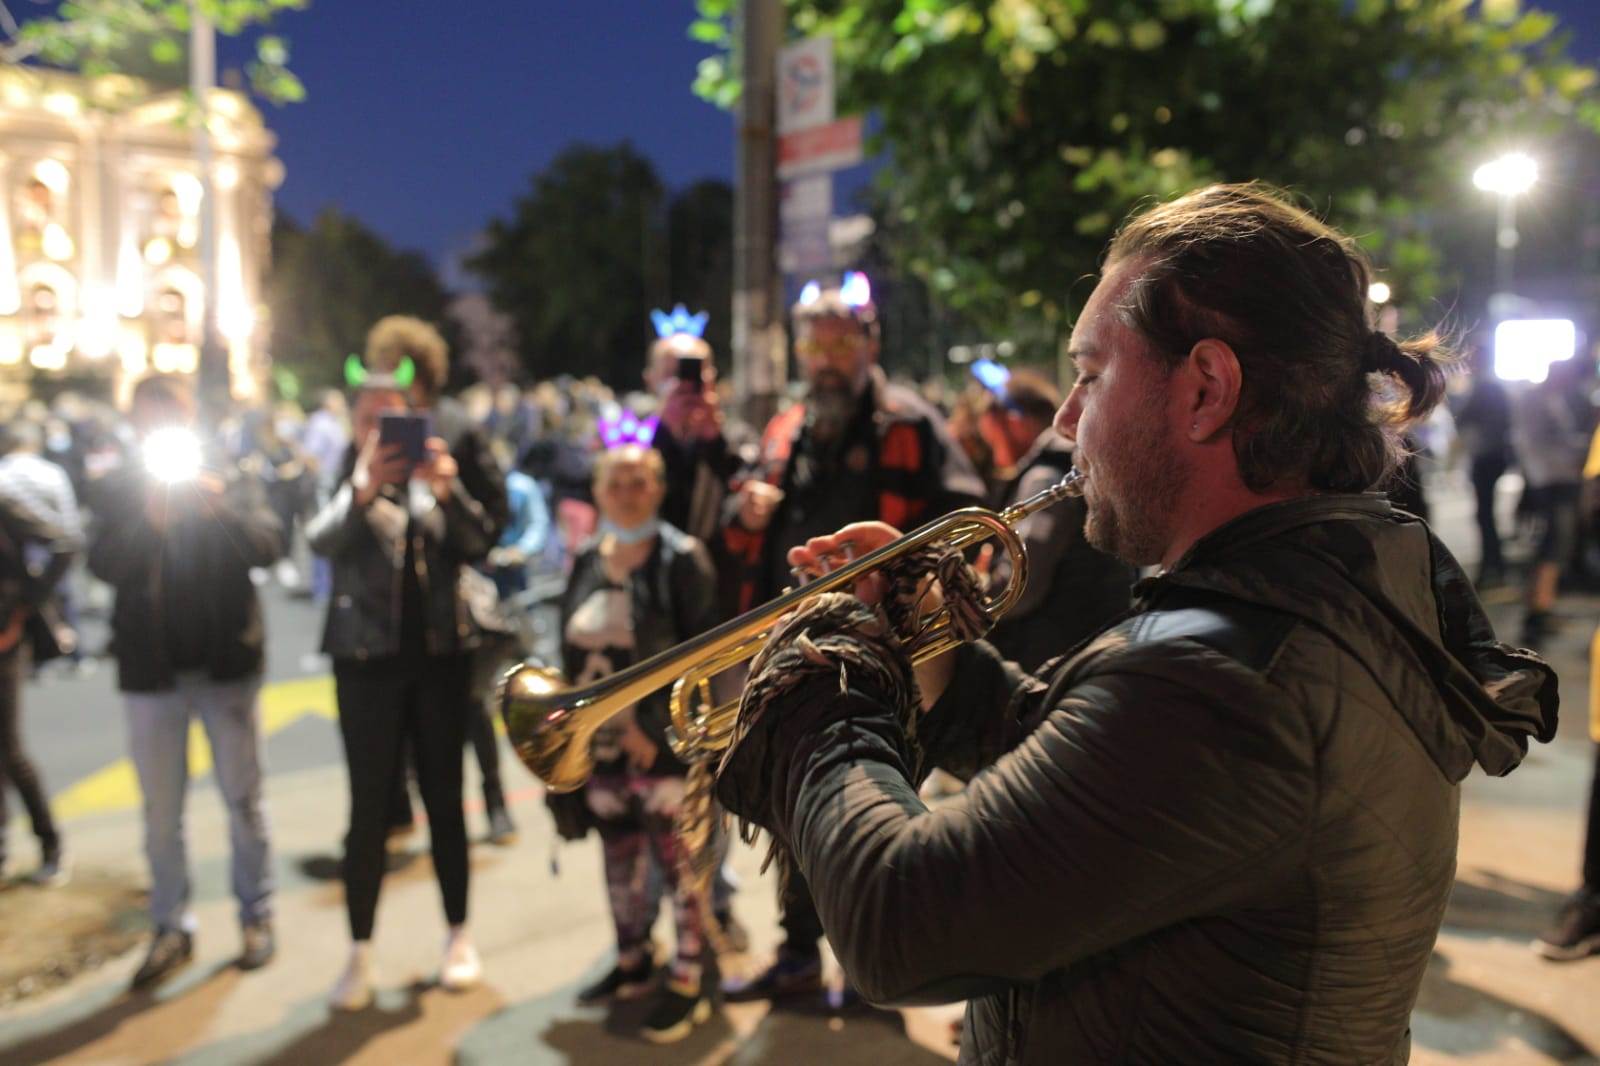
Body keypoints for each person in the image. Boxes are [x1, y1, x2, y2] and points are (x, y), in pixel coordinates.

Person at [714, 183, 1559, 1062]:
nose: (1064, 417)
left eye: (1090, 374)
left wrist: (827, 681)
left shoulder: (1222, 672)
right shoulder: (1325, 588)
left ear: (1206, 390)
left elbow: (899, 923)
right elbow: (1079, 785)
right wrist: (927, 639)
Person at [715, 275, 987, 1001]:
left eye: (841, 344)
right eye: (815, 346)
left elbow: (966, 522)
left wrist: (906, 572)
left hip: (886, 658)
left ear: (870, 344)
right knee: (794, 807)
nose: (827, 360)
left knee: (872, 813)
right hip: (795, 648)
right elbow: (742, 530)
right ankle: (800, 956)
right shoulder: (786, 426)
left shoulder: (911, 422)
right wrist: (746, 513)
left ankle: (874, 974)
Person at [306, 367, 499, 1010]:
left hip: (440, 661)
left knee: (446, 799)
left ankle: (459, 934)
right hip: (364, 666)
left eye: (394, 419)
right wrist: (361, 489)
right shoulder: (344, 478)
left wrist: (447, 489)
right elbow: (319, 540)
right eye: (370, 419)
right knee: (368, 809)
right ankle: (359, 951)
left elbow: (478, 542)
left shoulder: (432, 479)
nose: (380, 432)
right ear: (354, 426)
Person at [86, 375, 283, 988]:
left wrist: (217, 507)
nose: (160, 429)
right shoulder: (120, 485)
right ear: (134, 423)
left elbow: (269, 545)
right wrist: (150, 521)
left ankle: (257, 915)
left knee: (244, 801)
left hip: (226, 667)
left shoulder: (231, 472)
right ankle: (170, 926)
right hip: (152, 672)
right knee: (160, 813)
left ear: (190, 415)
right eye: (149, 419)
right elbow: (101, 564)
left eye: (171, 416)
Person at [560, 444, 721, 1043]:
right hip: (599, 749)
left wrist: (652, 731)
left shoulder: (682, 558)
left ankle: (688, 978)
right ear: (597, 492)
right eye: (615, 484)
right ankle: (631, 961)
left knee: (680, 867)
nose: (627, 495)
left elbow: (707, 658)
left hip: (661, 750)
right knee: (618, 859)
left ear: (658, 488)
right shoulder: (586, 558)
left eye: (639, 483)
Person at [982, 370, 1134, 672]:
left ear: (1015, 423)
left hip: (1052, 659)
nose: (994, 456)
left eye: (993, 441)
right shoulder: (1074, 465)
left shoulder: (1045, 478)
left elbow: (1020, 587)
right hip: (1089, 646)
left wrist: (977, 586)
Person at [0, 426, 80, 886]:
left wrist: (26, 602)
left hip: (5, 639)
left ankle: (50, 843)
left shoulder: (6, 499)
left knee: (9, 750)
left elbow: (65, 542)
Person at [643, 317, 749, 546]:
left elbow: (745, 494)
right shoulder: (633, 436)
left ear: (712, 378)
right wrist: (662, 431)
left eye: (694, 373)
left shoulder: (738, 437)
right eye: (672, 374)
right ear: (650, 379)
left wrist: (716, 442)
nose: (685, 384)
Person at [1510, 356, 1591, 646]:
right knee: (1553, 547)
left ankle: (1542, 608)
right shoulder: (1537, 399)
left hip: (1553, 477)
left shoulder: (1548, 397)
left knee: (1554, 547)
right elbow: (1539, 442)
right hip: (1553, 479)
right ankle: (1537, 613)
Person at [1453, 344, 1514, 586]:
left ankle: (1492, 565)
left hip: (1487, 457)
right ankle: (1495, 564)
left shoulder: (1484, 387)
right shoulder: (1492, 387)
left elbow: (1464, 417)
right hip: (1492, 455)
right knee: (1486, 512)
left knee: (1484, 513)